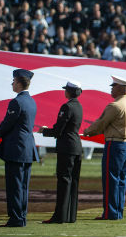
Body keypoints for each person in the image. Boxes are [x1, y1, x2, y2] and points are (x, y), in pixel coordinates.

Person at [83, 75, 126, 220]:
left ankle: (110, 213)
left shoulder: (115, 105)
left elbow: (101, 124)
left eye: (114, 86)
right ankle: (118, 211)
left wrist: (87, 132)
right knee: (121, 180)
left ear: (120, 88)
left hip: (116, 144)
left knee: (110, 179)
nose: (112, 89)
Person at [0, 68, 38, 227]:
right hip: (27, 149)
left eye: (14, 81)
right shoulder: (31, 101)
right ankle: (21, 217)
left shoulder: (16, 102)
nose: (12, 83)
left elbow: (7, 124)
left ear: (19, 82)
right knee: (23, 186)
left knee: (15, 186)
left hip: (16, 149)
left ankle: (16, 218)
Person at [39, 80, 84, 224]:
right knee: (73, 182)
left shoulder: (67, 106)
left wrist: (44, 130)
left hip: (67, 147)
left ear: (69, 92)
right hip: (76, 146)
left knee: (63, 181)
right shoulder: (79, 106)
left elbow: (59, 130)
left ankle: (60, 216)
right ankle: (70, 216)